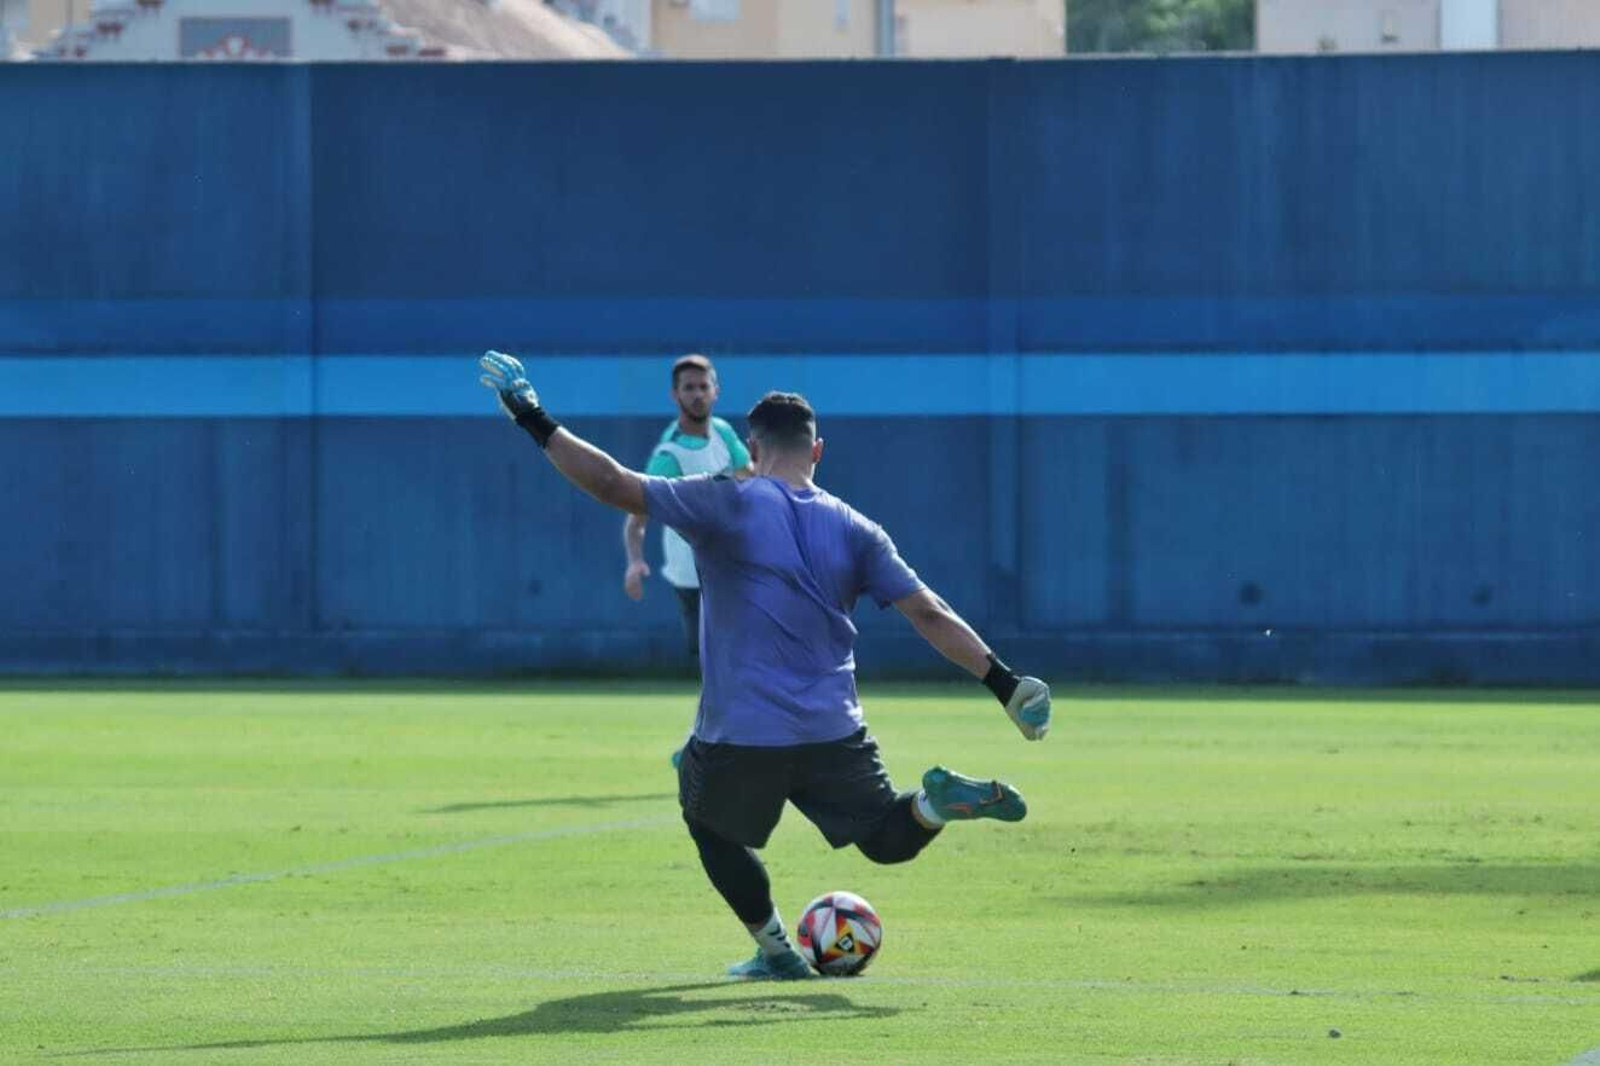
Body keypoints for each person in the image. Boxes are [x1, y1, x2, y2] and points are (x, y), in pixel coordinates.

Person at [479, 351, 1052, 981]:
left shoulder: (728, 500)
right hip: (834, 729)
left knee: (707, 821)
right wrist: (1006, 683)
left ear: (752, 448)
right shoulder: (857, 526)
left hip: (741, 733)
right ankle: (938, 805)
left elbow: (614, 483)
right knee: (887, 838)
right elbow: (930, 611)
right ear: (818, 451)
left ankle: (777, 948)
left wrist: (531, 417)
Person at [621, 355, 753, 768]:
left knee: (737, 660)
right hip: (693, 576)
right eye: (688, 388)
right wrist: (634, 560)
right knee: (720, 664)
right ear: (674, 395)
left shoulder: (725, 433)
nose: (697, 394)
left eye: (703, 386)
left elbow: (749, 476)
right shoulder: (669, 454)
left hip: (735, 566)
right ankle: (704, 747)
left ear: (716, 390)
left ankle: (714, 744)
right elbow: (636, 516)